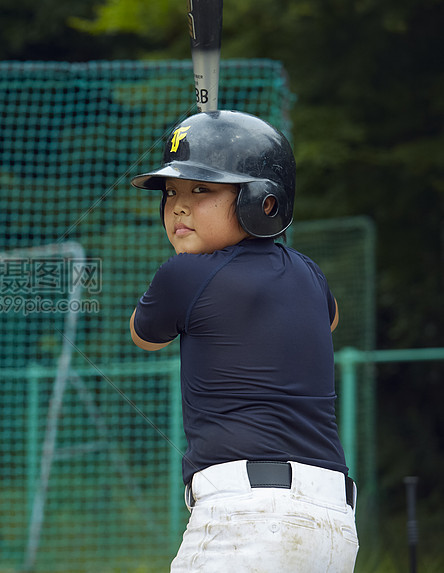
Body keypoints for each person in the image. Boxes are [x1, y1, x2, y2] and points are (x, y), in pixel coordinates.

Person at [128, 110, 359, 572]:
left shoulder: (183, 275)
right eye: (172, 192)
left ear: (263, 201)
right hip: (334, 527)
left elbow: (143, 334)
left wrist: (197, 269)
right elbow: (328, 321)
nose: (178, 207)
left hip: (246, 521)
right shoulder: (310, 274)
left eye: (202, 190)